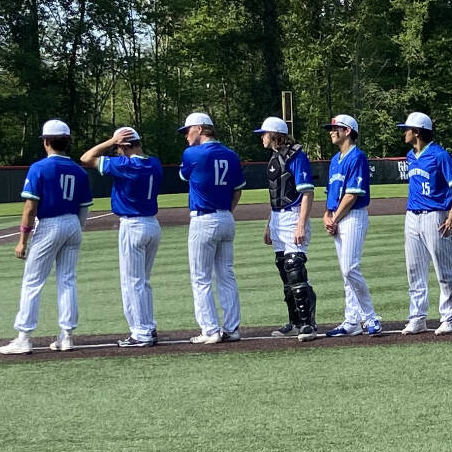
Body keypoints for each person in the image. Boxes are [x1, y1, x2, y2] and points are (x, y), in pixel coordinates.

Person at [0, 120, 93, 354]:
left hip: (50, 223)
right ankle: (67, 335)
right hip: (73, 223)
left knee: (33, 281)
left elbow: (30, 208)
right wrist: (76, 230)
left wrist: (22, 240)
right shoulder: (79, 170)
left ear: (47, 141)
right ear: (68, 142)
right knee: (67, 279)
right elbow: (84, 208)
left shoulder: (39, 168)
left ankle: (23, 337)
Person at [82, 126, 162, 347]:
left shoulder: (124, 165)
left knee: (132, 282)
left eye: (118, 147)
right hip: (152, 224)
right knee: (143, 281)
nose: (116, 151)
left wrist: (110, 141)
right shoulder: (154, 163)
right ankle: (148, 326)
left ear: (124, 146)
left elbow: (86, 158)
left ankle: (141, 332)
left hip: (132, 225)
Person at [398, 111, 452, 335]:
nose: (404, 133)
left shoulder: (439, 155)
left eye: (406, 129)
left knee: (443, 268)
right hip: (412, 216)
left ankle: (450, 317)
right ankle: (417, 317)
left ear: (417, 132)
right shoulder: (411, 156)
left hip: (435, 215)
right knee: (414, 269)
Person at [178, 112, 244, 344]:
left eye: (188, 131)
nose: (186, 136)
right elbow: (238, 190)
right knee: (226, 275)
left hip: (203, 218)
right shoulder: (231, 154)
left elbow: (184, 176)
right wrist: (227, 212)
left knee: (201, 278)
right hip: (226, 217)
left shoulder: (192, 153)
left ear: (199, 128)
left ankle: (209, 330)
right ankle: (232, 328)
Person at [257, 116, 319, 340]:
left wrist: (301, 224)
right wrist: (268, 224)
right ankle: (294, 322)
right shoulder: (275, 158)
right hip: (277, 218)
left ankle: (307, 324)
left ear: (275, 135)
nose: (262, 138)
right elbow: (275, 197)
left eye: (264, 134)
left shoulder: (296, 157)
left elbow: (307, 192)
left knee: (295, 268)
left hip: (293, 217)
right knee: (284, 270)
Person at [322, 113, 380, 337]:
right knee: (345, 273)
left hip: (353, 216)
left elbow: (352, 195)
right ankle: (351, 321)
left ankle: (370, 317)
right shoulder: (335, 160)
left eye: (336, 128)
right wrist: (327, 215)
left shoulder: (357, 157)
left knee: (350, 268)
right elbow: (332, 194)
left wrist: (334, 218)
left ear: (348, 131)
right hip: (338, 216)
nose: (331, 132)